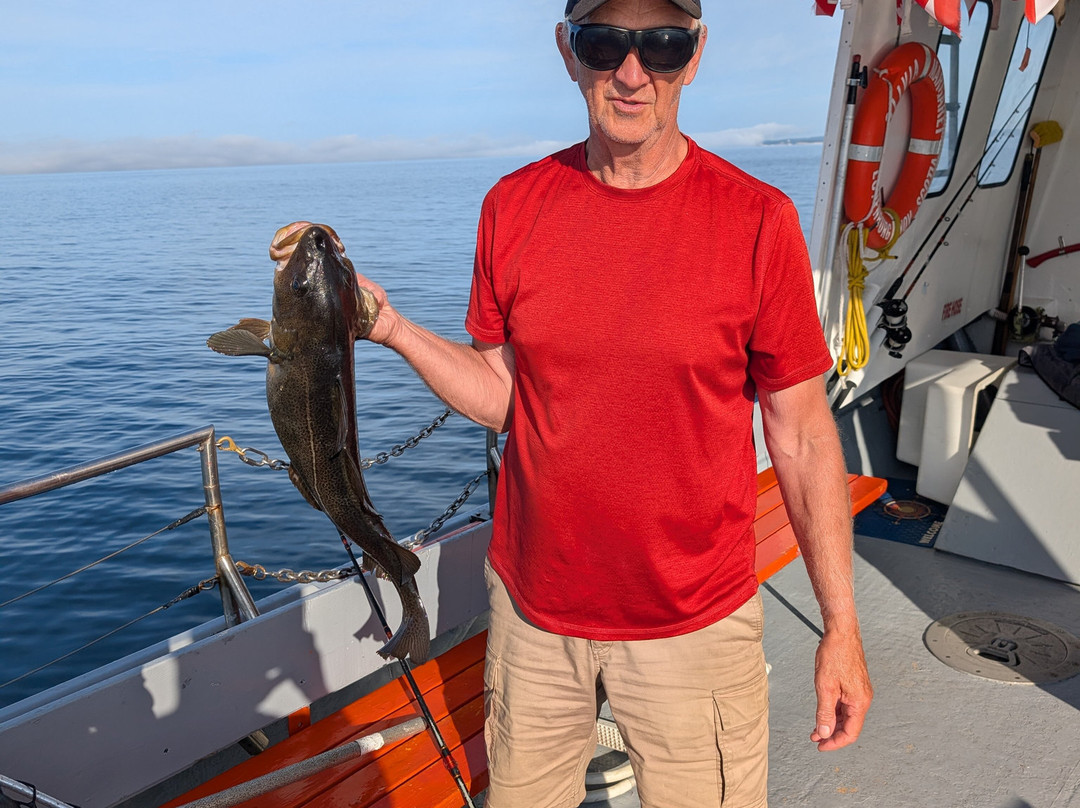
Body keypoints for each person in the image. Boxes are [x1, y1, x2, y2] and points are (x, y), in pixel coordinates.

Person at [279, 0, 872, 805]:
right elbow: (502, 398)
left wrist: (841, 624)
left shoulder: (758, 219)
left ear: (693, 56)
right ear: (568, 51)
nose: (633, 72)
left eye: (661, 45)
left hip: (695, 623)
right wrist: (387, 326)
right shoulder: (513, 207)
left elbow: (801, 435)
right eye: (606, 42)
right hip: (535, 620)